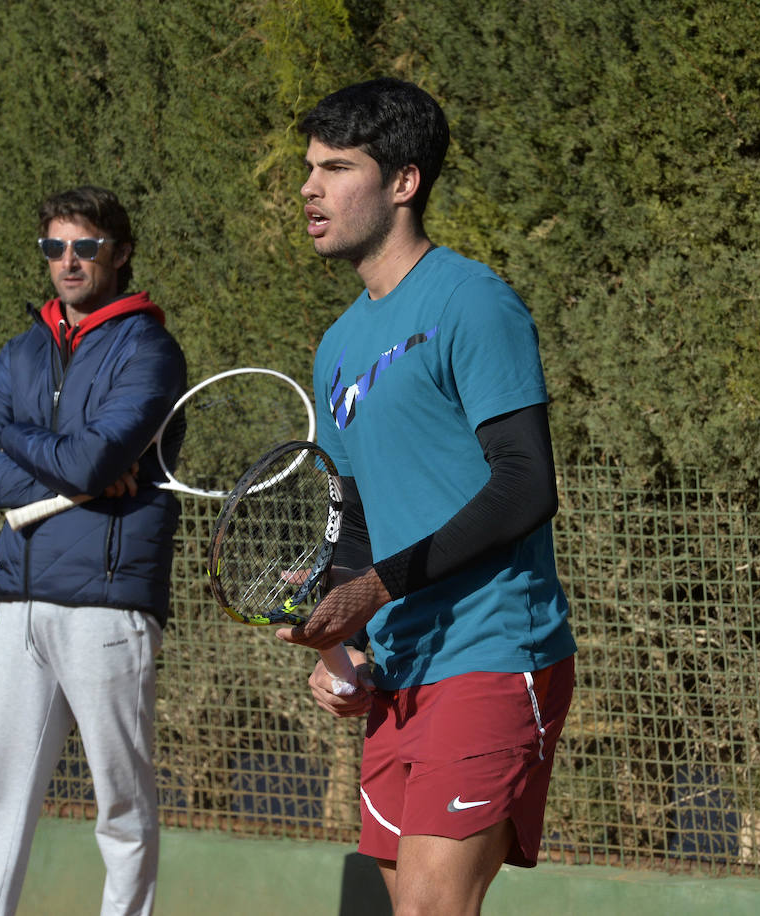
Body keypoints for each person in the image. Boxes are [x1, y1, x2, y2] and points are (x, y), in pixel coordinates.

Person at [276, 78, 577, 916]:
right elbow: (357, 522)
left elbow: (526, 485)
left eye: (336, 167)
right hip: (400, 670)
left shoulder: (473, 303)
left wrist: (375, 588)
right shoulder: (337, 347)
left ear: (405, 182)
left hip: (493, 649)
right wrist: (341, 638)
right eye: (309, 167)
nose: (309, 188)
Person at [0, 185, 186, 916]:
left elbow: (89, 463)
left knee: (120, 803)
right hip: (19, 605)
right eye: (55, 247)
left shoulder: (151, 348)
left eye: (85, 246)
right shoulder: (22, 351)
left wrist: (16, 439)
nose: (69, 261)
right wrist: (55, 454)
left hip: (108, 609)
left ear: (119, 253)